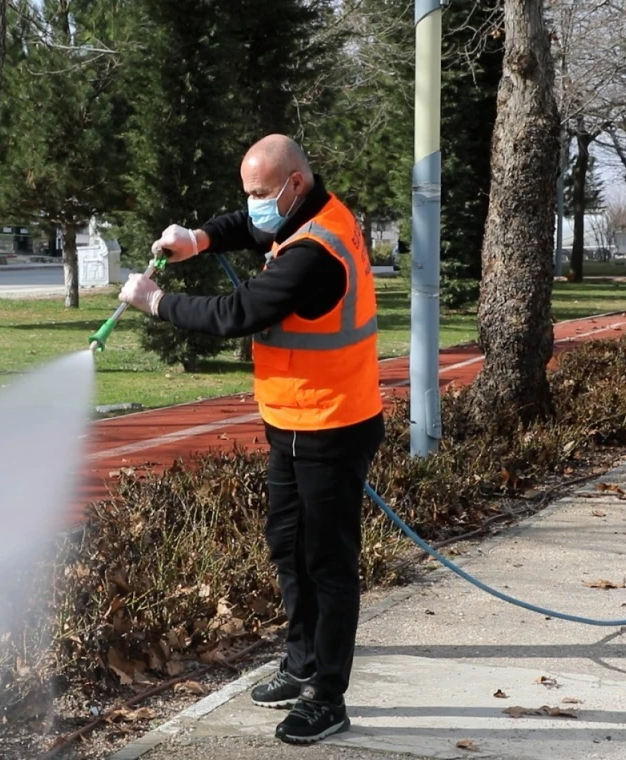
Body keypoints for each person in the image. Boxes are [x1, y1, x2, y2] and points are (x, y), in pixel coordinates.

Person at [117, 134, 386, 746]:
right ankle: (301, 662)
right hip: (292, 422)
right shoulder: (304, 214)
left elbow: (234, 314)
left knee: (328, 564)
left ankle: (327, 697)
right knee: (288, 546)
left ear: (294, 184)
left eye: (261, 192)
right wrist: (199, 239)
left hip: (332, 426)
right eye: (249, 193)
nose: (253, 204)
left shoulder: (315, 252)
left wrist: (156, 302)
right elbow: (250, 225)